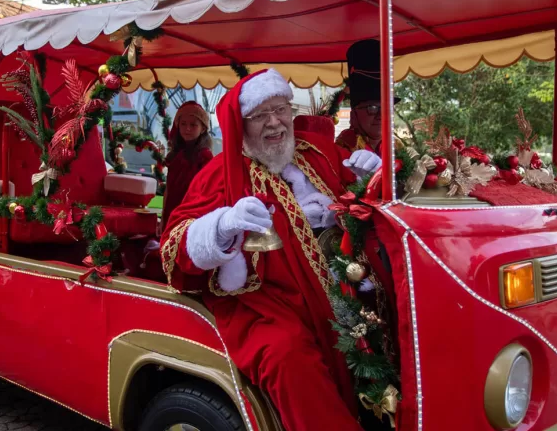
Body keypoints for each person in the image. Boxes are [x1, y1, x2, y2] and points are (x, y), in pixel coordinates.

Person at [161, 69, 383, 431]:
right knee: (288, 355)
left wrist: (368, 179)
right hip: (265, 303)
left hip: (344, 287)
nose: (275, 122)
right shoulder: (220, 173)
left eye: (281, 109)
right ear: (242, 124)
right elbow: (174, 246)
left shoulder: (319, 152)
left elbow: (361, 198)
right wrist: (220, 226)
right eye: (261, 115)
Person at [336, 39, 399, 153]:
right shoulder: (344, 149)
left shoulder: (397, 146)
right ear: (353, 116)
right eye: (372, 108)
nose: (381, 115)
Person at [160, 101, 213, 232]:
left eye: (193, 125)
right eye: (183, 124)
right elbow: (169, 189)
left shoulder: (205, 156)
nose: (187, 128)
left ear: (203, 129)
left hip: (191, 217)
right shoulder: (175, 154)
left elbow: (207, 193)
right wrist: (163, 218)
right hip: (171, 213)